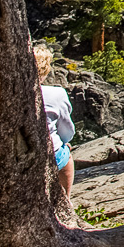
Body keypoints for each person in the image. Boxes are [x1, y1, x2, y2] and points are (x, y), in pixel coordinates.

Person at [33, 45, 77, 198]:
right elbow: (67, 133)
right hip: (50, 156)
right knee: (65, 154)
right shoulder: (56, 94)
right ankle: (65, 200)